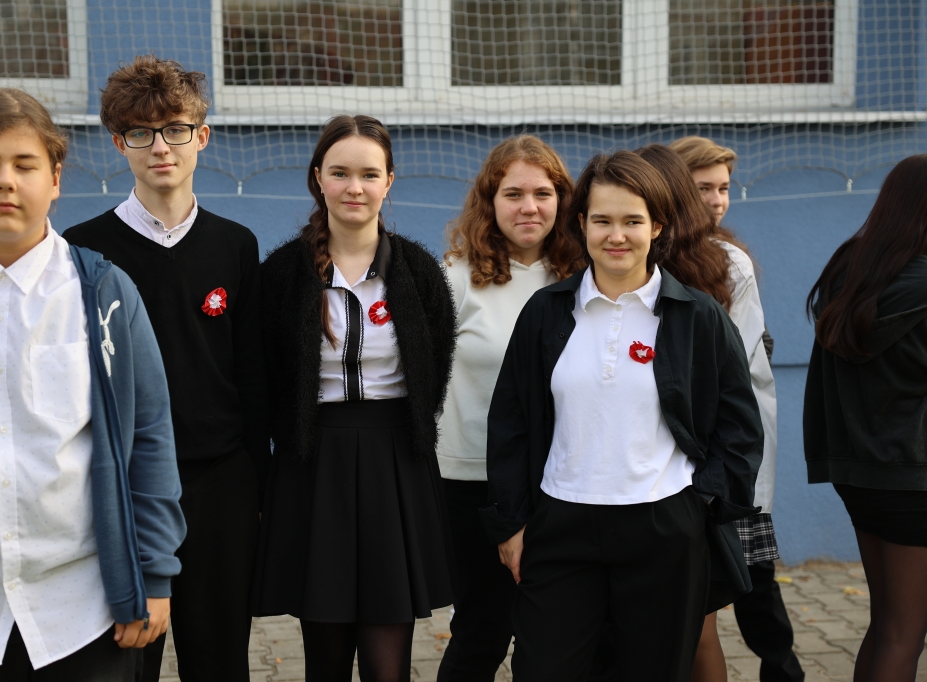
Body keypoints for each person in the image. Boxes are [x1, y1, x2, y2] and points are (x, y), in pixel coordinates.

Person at [0, 88, 186, 681]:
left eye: (25, 165)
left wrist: (153, 575)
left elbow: (151, 436)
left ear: (55, 179)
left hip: (86, 611)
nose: (6, 181)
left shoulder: (103, 294)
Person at [483, 150, 763, 681]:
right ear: (581, 224)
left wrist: (701, 506)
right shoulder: (545, 311)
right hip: (560, 524)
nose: (617, 236)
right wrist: (511, 523)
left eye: (632, 221)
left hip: (663, 528)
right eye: (602, 221)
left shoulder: (697, 316)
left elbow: (740, 428)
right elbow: (511, 422)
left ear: (657, 226)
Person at [63, 54, 269, 682]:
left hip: (220, 483)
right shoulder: (83, 250)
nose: (160, 147)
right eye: (141, 133)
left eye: (175, 129)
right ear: (118, 143)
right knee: (127, 657)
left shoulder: (235, 244)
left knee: (220, 659)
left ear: (201, 136)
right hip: (125, 484)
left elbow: (252, 373)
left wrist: (257, 483)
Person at [252, 114, 456, 682]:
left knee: (388, 665)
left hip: (396, 463)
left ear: (389, 180)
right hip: (313, 464)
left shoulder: (418, 271)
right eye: (340, 173)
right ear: (318, 178)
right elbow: (265, 378)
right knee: (326, 660)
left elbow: (434, 368)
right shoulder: (282, 275)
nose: (354, 188)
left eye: (369, 174)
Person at [435, 136, 586, 682]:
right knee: (484, 630)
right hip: (473, 482)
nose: (529, 207)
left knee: (552, 638)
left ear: (563, 200)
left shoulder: (583, 277)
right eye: (513, 194)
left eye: (543, 193)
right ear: (489, 201)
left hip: (562, 481)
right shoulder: (456, 277)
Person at [668, 136, 802, 682]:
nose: (718, 200)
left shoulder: (728, 261)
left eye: (724, 188)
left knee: (754, 582)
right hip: (678, 466)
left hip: (729, 461)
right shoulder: (644, 252)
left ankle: (784, 672)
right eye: (704, 187)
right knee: (701, 604)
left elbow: (746, 372)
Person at [805, 154, 927, 682]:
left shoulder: (851, 271)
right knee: (905, 633)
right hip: (914, 477)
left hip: (858, 474)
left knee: (887, 625)